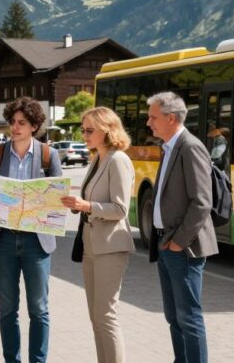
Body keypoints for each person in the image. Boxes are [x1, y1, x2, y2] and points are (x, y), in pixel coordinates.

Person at [0, 96, 63, 363]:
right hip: (3, 240)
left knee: (39, 309)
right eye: (12, 122)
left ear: (34, 126)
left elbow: (56, 203)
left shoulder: (49, 155)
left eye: (22, 123)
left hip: (36, 243)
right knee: (7, 309)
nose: (15, 127)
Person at [146, 91, 217, 363]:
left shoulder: (190, 147)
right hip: (167, 244)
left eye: (153, 117)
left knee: (189, 316)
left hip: (182, 248)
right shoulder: (169, 147)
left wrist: (178, 242)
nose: (148, 123)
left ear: (171, 118)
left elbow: (201, 202)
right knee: (174, 316)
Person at [61, 107, 135, 363]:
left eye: (90, 130)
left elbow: (121, 209)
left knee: (106, 316)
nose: (84, 134)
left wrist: (87, 206)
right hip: (91, 246)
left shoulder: (118, 160)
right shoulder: (97, 159)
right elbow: (91, 199)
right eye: (83, 129)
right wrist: (76, 202)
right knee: (96, 317)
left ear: (108, 129)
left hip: (110, 247)